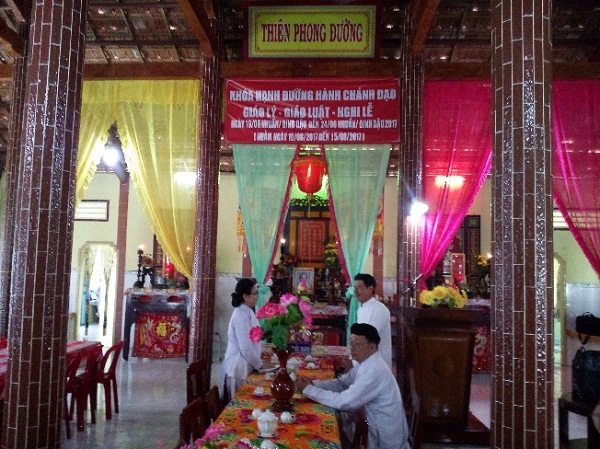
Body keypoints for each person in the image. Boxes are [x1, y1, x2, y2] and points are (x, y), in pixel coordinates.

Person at [295, 323, 410, 449]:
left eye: (357, 344)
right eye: (351, 343)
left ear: (371, 347)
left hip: (384, 440)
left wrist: (308, 390)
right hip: (370, 427)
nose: (352, 348)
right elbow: (342, 383)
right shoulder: (366, 363)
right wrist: (313, 384)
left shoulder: (374, 370)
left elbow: (344, 402)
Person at [219, 278, 264, 399]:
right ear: (246, 296)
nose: (257, 296)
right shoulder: (240, 315)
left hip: (246, 363)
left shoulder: (248, 311)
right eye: (255, 293)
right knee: (241, 405)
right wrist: (260, 365)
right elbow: (246, 348)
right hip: (238, 367)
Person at [354, 273, 392, 369]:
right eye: (355, 287)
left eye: (359, 287)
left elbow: (367, 339)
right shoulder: (362, 308)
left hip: (377, 366)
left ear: (370, 289)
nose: (355, 291)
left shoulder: (378, 310)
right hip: (365, 362)